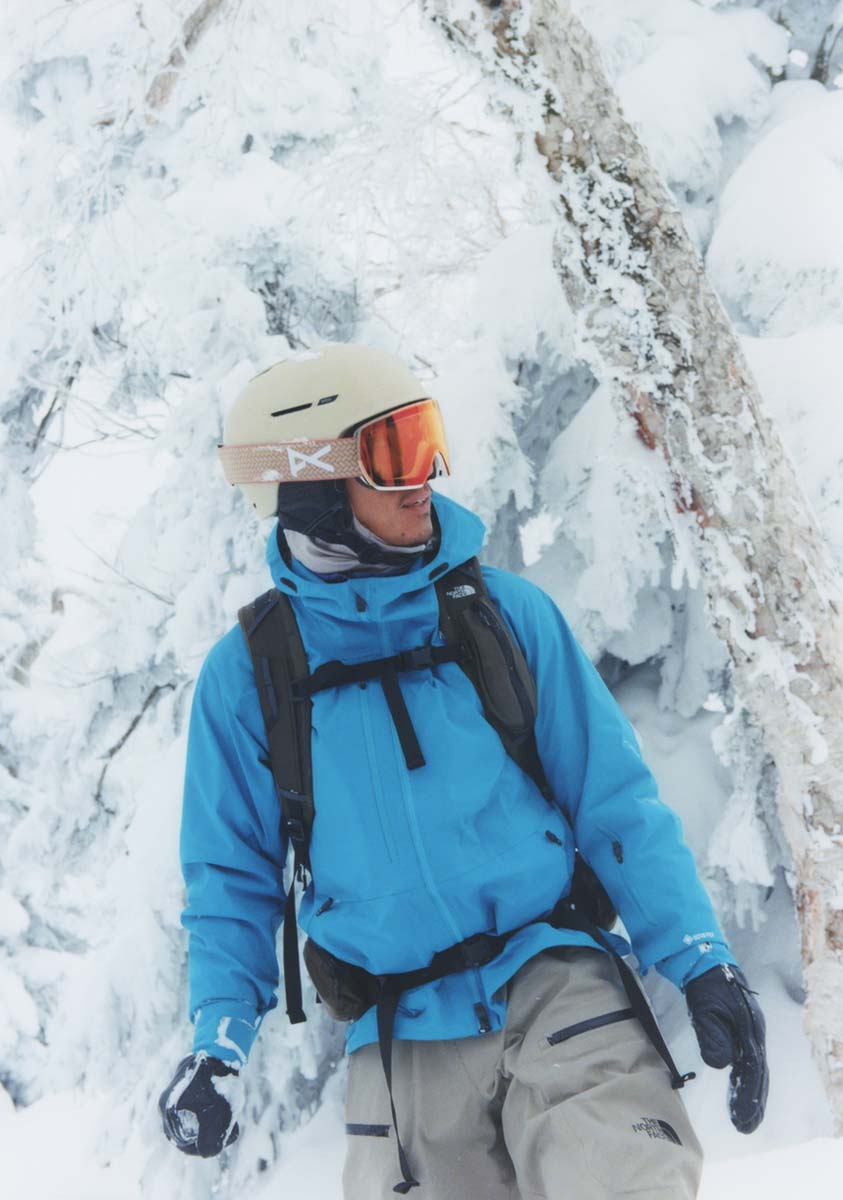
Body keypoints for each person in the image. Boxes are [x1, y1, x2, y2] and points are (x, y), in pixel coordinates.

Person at [159, 344, 768, 1199]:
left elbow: (616, 805)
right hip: (399, 1033)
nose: (423, 478)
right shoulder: (250, 676)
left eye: (426, 441)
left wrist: (699, 958)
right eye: (392, 452)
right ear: (310, 485)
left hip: (555, 981)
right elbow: (229, 878)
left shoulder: (501, 616)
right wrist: (218, 1044)